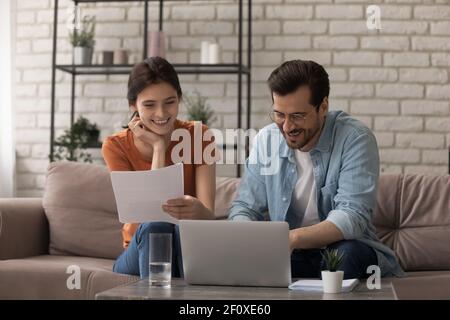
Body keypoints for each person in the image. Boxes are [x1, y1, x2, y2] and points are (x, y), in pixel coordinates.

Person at [228, 60, 405, 279]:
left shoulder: (355, 138)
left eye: (297, 116)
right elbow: (245, 207)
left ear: (323, 107)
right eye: (279, 114)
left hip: (342, 249)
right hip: (289, 253)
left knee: (345, 255)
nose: (286, 127)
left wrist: (291, 239)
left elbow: (352, 216)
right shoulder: (267, 140)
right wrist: (249, 239)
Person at [102, 57, 216, 278]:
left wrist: (199, 210)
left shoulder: (199, 136)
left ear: (180, 99)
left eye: (169, 102)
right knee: (156, 226)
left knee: (183, 231)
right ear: (133, 105)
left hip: (187, 242)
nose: (162, 114)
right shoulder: (115, 146)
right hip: (139, 248)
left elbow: (208, 215)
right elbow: (151, 213)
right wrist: (158, 147)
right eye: (149, 105)